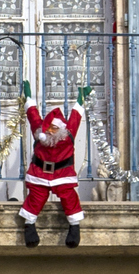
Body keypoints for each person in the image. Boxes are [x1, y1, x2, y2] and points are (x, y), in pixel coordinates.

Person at [18, 83, 90, 247]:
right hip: (40, 174)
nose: (50, 132)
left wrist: (81, 99)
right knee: (36, 197)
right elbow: (33, 116)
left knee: (69, 197)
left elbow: (75, 117)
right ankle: (29, 225)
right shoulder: (39, 133)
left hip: (62, 174)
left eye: (54, 128)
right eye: (48, 128)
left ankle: (74, 226)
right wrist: (28, 99)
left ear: (62, 129)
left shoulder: (69, 133)